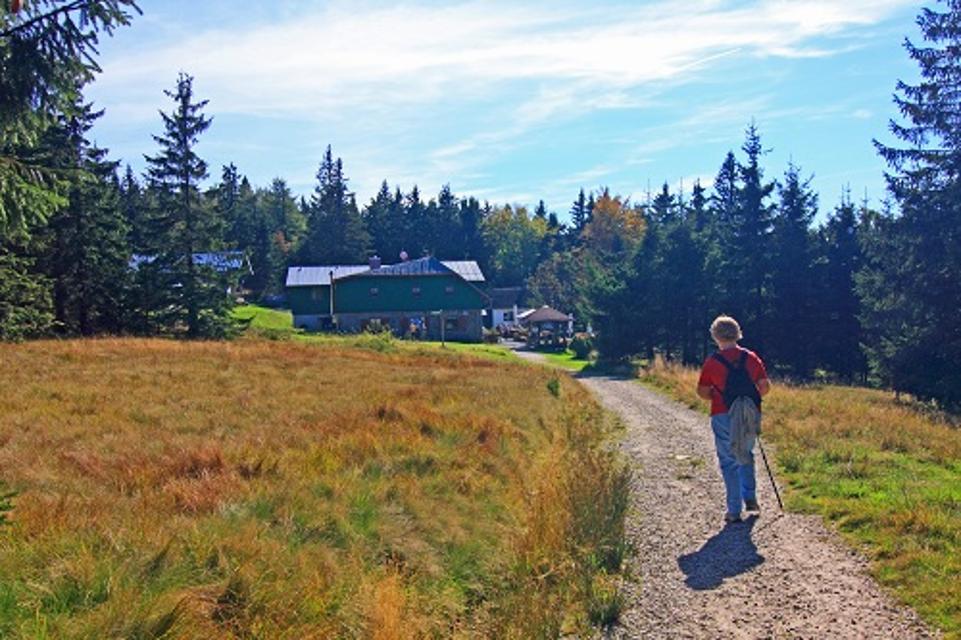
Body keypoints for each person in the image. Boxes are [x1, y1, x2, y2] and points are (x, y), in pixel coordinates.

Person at [696, 315, 771, 524]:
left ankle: (734, 510)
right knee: (745, 452)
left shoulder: (712, 362)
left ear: (715, 336)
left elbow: (702, 391)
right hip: (749, 413)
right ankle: (750, 497)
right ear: (738, 333)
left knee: (729, 461)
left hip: (722, 413)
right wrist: (748, 400)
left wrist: (718, 397)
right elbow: (764, 386)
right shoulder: (751, 358)